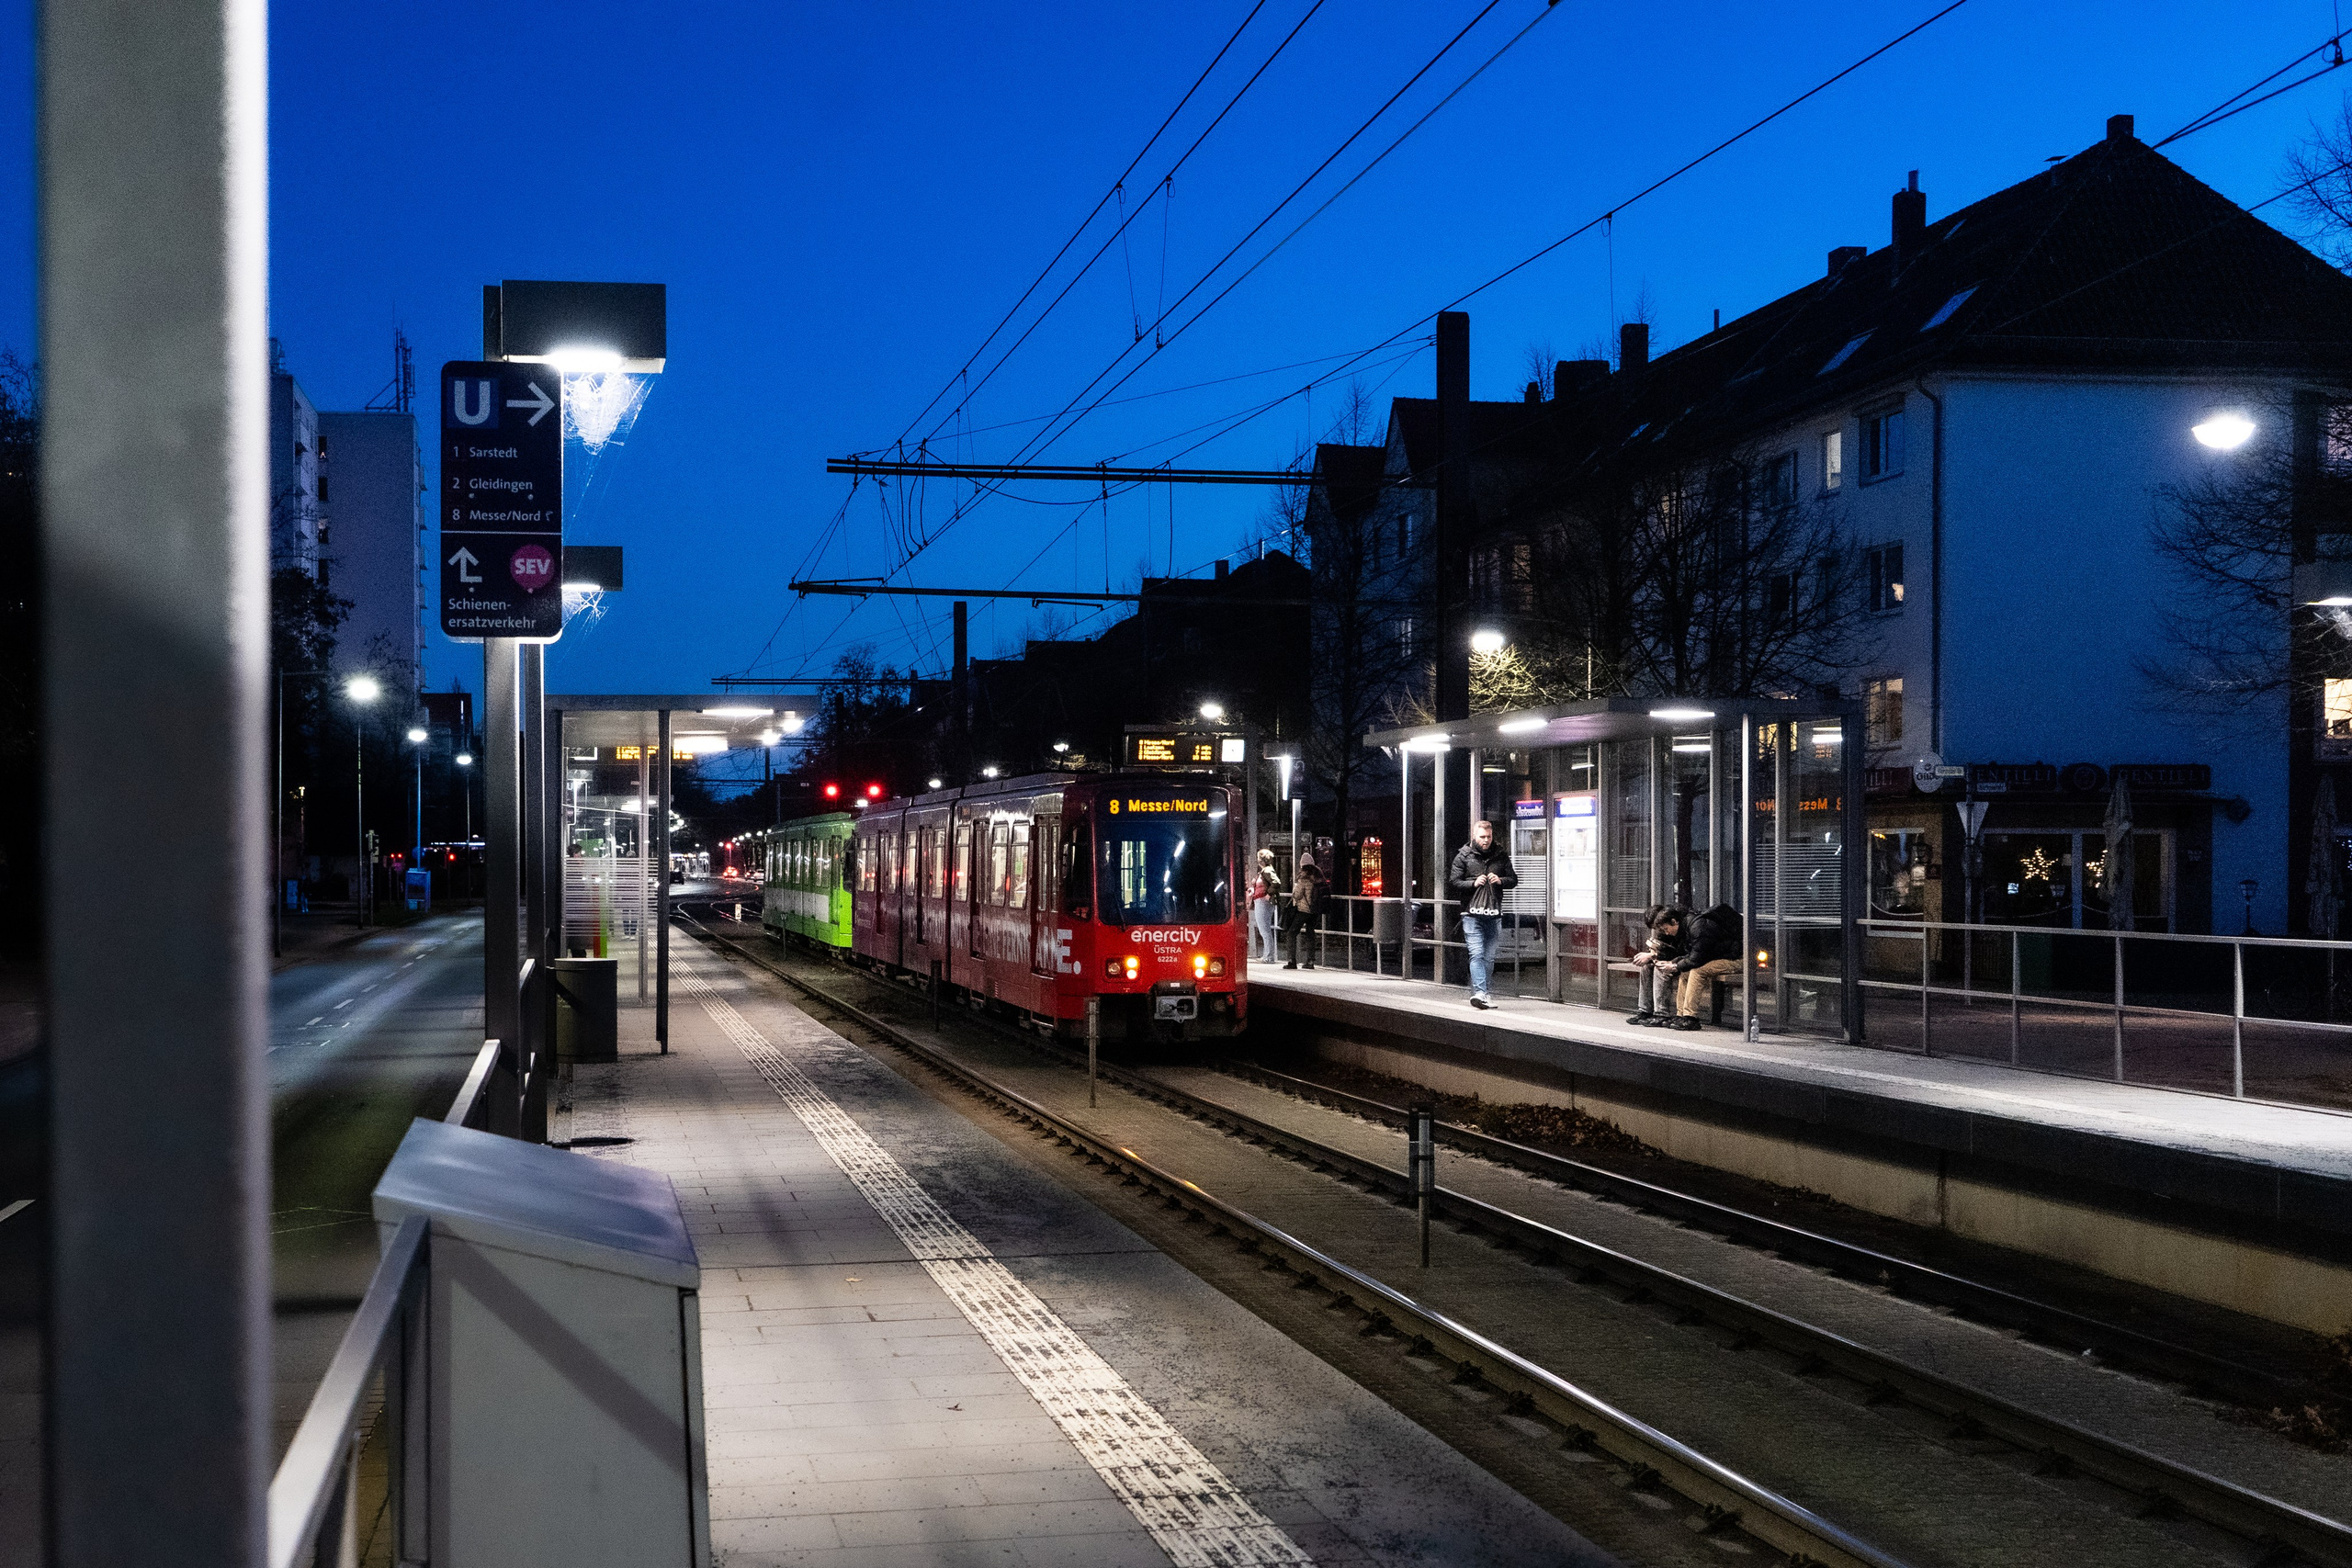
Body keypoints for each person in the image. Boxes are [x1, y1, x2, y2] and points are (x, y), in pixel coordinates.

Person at [1448, 818, 1518, 1009]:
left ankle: (1485, 993)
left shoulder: (1501, 856)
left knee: (1489, 957)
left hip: (1493, 913)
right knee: (1477, 953)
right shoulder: (1463, 856)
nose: (1486, 840)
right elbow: (1453, 881)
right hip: (1471, 913)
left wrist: (1501, 880)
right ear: (1474, 836)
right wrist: (1472, 883)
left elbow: (1513, 879)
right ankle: (1479, 992)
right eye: (1482, 837)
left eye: (1488, 836)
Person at [1668, 903, 1744, 1031]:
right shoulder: (1691, 925)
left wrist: (1676, 965)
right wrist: (1676, 963)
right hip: (1722, 957)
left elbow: (1696, 958)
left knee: (1697, 971)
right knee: (1686, 972)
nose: (1667, 933)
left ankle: (1690, 1017)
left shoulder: (1698, 927)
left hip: (1737, 959)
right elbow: (1696, 954)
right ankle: (1681, 1014)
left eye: (1666, 929)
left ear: (1675, 921)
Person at [1623, 905, 1688, 1026]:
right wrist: (1651, 954)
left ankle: (1662, 1013)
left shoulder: (1679, 927)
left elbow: (1681, 951)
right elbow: (1663, 948)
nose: (1661, 931)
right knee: (1646, 967)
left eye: (1660, 928)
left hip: (1683, 961)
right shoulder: (1664, 928)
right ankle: (1645, 1011)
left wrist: (1653, 956)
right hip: (1676, 959)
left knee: (1660, 969)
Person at [1283, 846, 1327, 969]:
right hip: (1315, 910)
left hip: (1303, 910)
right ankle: (1310, 961)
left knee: (1291, 933)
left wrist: (1295, 889)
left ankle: (1292, 961)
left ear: (1302, 865)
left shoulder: (1303, 878)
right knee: (1310, 933)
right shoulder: (1319, 877)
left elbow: (1297, 895)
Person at [1250, 847, 1283, 962]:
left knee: (1264, 929)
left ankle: (1269, 956)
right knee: (1264, 929)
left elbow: (1276, 882)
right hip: (1260, 901)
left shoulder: (1267, 871)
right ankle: (1267, 955)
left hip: (1263, 902)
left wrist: (1268, 894)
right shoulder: (1264, 871)